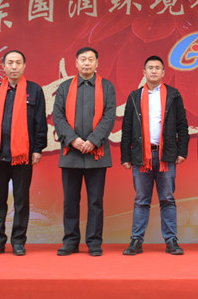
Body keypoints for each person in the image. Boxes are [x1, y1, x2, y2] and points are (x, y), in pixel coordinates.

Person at [0, 50, 47, 256]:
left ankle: (18, 242)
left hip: (23, 155)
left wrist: (38, 149)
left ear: (24, 66)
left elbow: (40, 123)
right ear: (3, 66)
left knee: (21, 200)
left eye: (18, 62)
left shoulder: (34, 90)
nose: (14, 66)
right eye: (10, 63)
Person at [120, 56, 189, 255]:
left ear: (163, 73)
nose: (153, 71)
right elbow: (127, 127)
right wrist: (125, 156)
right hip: (141, 156)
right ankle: (136, 240)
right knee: (141, 199)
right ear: (144, 72)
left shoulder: (173, 95)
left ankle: (171, 240)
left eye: (157, 68)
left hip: (166, 155)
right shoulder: (135, 96)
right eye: (150, 68)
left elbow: (182, 125)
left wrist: (182, 151)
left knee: (167, 198)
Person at [52, 47, 116, 256]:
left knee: (95, 201)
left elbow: (109, 116)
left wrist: (94, 141)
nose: (87, 63)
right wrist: (73, 140)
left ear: (97, 63)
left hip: (97, 154)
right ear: (76, 63)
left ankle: (94, 242)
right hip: (71, 153)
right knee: (70, 201)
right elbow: (58, 116)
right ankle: (70, 241)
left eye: (90, 59)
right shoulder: (64, 88)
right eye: (83, 59)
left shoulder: (107, 87)